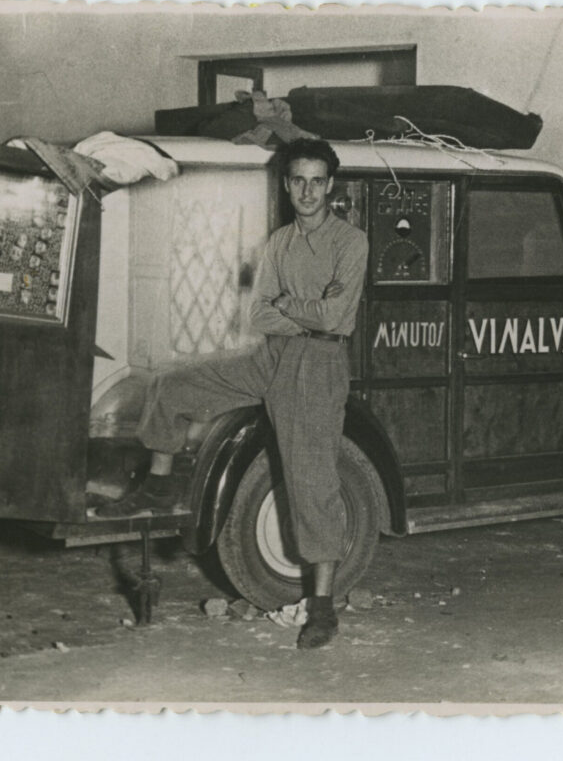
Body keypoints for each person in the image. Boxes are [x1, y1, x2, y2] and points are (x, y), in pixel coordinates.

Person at [95, 138, 368, 650]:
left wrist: (288, 304)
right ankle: (158, 485)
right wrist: (298, 307)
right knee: (172, 384)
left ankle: (323, 608)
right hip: (271, 356)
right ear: (287, 185)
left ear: (330, 186)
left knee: (311, 484)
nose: (308, 192)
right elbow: (259, 315)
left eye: (317, 181)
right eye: (299, 181)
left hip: (318, 365)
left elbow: (335, 317)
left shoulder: (350, 242)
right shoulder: (279, 242)